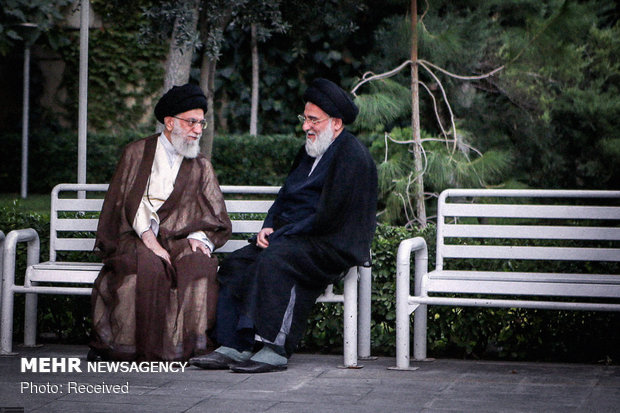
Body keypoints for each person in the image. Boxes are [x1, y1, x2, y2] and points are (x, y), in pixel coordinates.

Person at [190, 78, 377, 373]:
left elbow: (331, 217)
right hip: (294, 237)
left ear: (337, 123)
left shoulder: (352, 156)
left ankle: (275, 347)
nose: (306, 126)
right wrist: (267, 227)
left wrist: (281, 235)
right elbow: (285, 195)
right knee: (238, 263)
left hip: (330, 244)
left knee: (278, 259)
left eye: (314, 120)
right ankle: (235, 345)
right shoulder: (309, 151)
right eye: (305, 118)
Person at [89, 84, 232, 362]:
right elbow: (127, 205)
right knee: (149, 266)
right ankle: (131, 347)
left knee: (199, 265)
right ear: (169, 122)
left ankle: (188, 348)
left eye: (201, 122)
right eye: (191, 122)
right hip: (136, 236)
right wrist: (152, 243)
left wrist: (200, 237)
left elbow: (215, 215)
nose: (198, 129)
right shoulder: (136, 153)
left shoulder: (201, 164)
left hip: (180, 239)